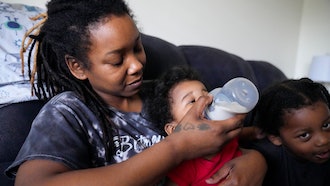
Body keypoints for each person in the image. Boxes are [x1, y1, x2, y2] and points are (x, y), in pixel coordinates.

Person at [5, 0, 266, 185]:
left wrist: (257, 161)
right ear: (78, 66)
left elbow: (228, 139)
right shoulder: (70, 112)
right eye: (117, 60)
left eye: (137, 47)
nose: (137, 65)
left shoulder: (168, 94)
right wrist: (177, 147)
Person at [147, 66, 243, 186]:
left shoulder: (226, 135)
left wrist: (254, 132)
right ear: (174, 129)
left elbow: (241, 132)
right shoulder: (184, 168)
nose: (206, 101)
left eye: (207, 95)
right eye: (192, 101)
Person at [248, 78, 330, 186]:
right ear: (276, 138)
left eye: (326, 125)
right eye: (304, 135)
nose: (324, 140)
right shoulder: (269, 156)